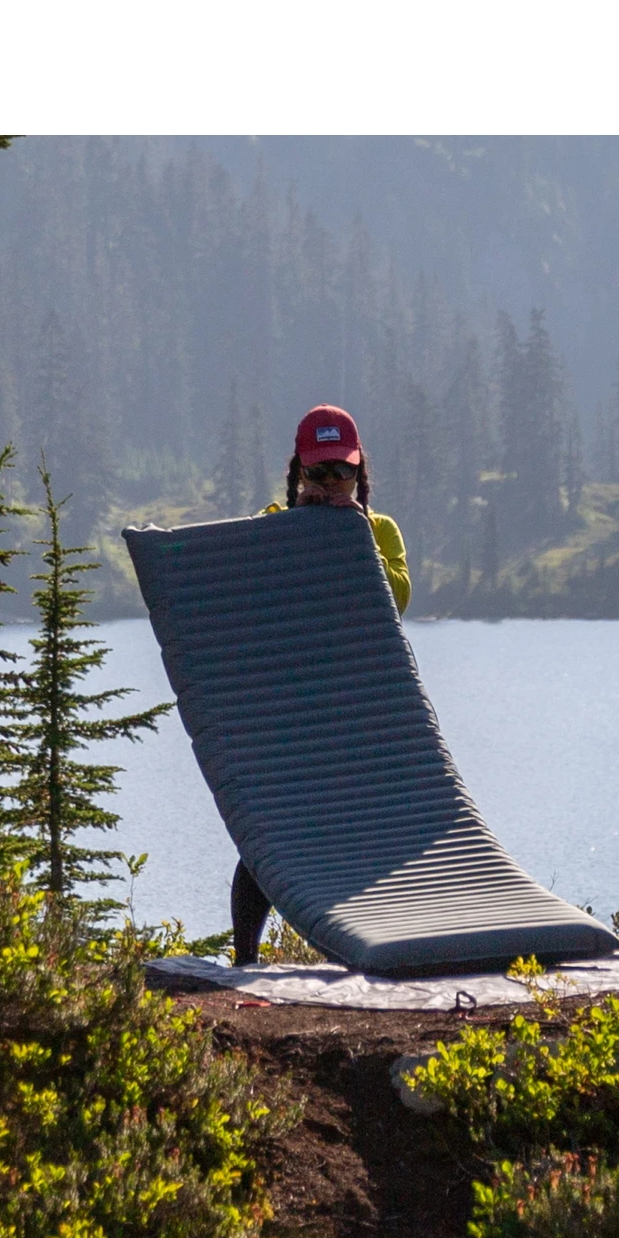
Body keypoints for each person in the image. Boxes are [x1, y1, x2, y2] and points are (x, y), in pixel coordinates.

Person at [230, 404, 410, 964]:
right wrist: (293, 527)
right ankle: (244, 958)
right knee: (267, 837)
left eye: (342, 472)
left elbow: (398, 600)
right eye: (319, 472)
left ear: (359, 473)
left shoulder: (379, 530)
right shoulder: (270, 522)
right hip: (288, 710)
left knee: (361, 833)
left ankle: (365, 948)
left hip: (357, 708)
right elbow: (248, 595)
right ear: (298, 472)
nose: (331, 484)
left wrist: (355, 531)